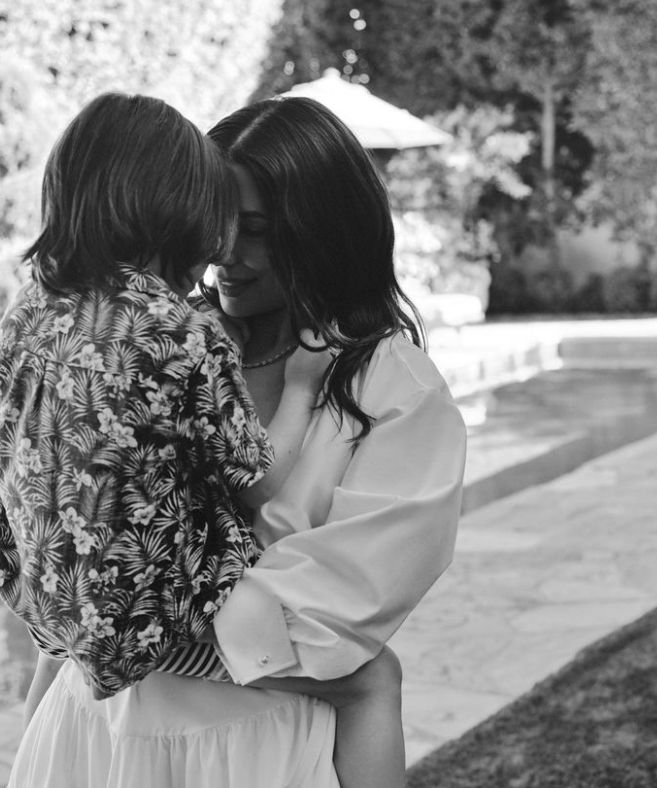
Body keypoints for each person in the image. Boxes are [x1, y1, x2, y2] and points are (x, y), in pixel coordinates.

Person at [8, 96, 466, 788]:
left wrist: (112, 621)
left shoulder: (395, 392)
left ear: (321, 233)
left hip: (245, 747)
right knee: (377, 683)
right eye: (215, 224)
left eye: (254, 231)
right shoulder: (164, 339)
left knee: (375, 677)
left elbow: (343, 602)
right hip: (91, 728)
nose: (225, 253)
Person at [0, 92, 329, 700]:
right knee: (371, 680)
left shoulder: (27, 310)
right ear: (185, 212)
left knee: (57, 673)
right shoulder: (180, 327)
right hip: (160, 629)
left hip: (48, 607)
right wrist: (304, 386)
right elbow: (258, 478)